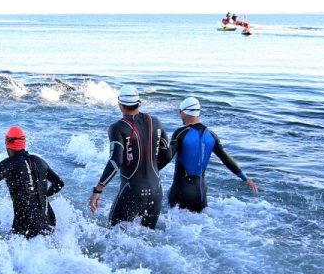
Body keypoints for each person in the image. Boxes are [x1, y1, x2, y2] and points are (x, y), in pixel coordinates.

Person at [88, 86, 171, 229]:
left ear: (120, 104)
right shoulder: (156, 122)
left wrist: (98, 189)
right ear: (139, 103)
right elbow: (168, 155)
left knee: (113, 233)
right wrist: (150, 171)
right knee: (147, 237)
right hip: (156, 190)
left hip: (132, 190)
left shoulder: (117, 127)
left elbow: (116, 161)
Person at [0, 126, 64, 238]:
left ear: (7, 142)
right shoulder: (40, 161)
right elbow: (59, 184)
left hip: (25, 226)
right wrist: (43, 195)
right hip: (48, 222)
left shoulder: (8, 164)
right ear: (23, 143)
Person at [165, 97, 258, 213]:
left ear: (184, 112)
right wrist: (245, 178)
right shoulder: (211, 136)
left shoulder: (180, 133)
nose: (180, 116)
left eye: (180, 112)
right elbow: (226, 158)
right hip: (201, 196)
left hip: (180, 193)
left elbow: (167, 157)